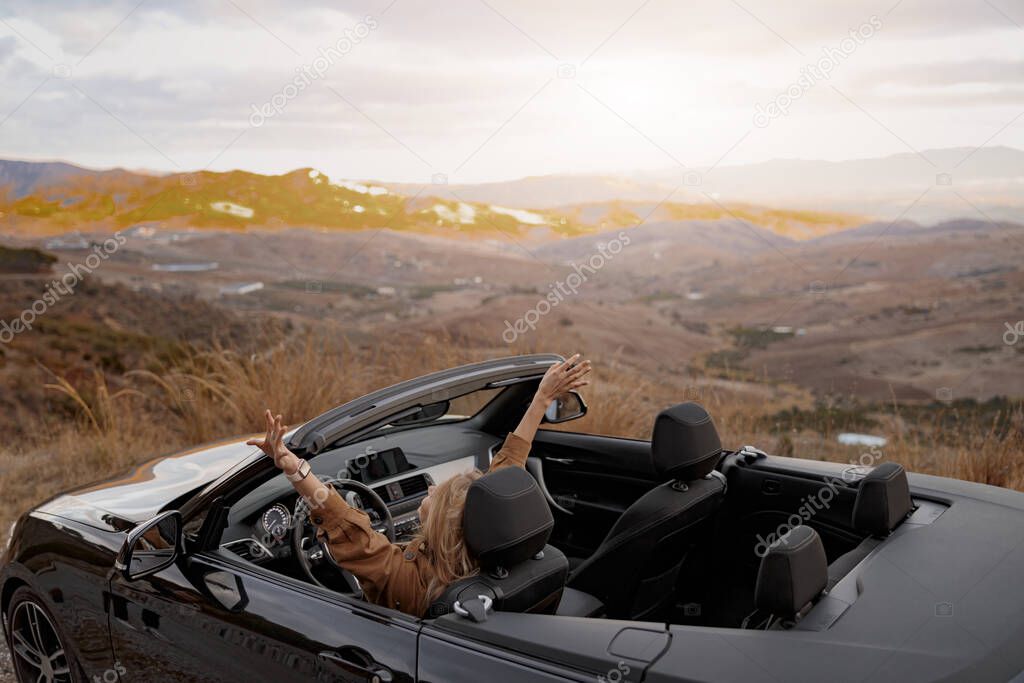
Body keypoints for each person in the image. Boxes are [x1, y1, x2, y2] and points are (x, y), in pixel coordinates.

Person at [248, 354, 592, 617]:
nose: (429, 490)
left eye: (434, 495)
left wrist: (294, 468)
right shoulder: (494, 554)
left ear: (441, 528)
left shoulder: (407, 582)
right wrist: (541, 400)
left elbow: (348, 528)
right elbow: (509, 464)